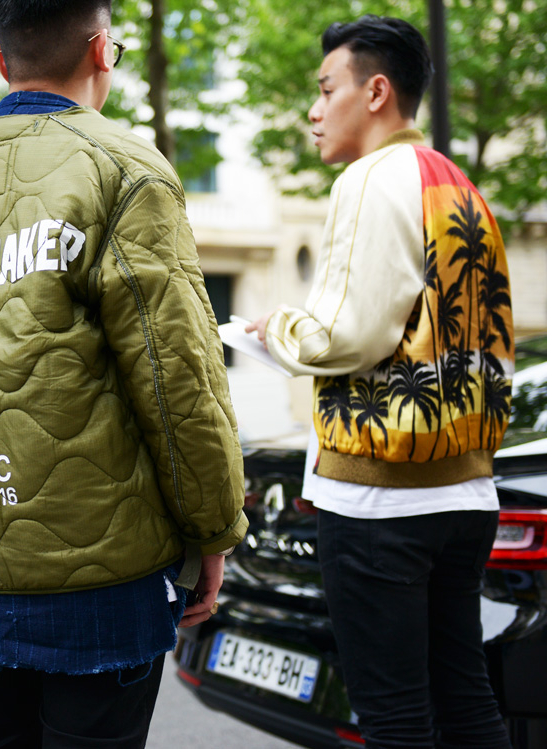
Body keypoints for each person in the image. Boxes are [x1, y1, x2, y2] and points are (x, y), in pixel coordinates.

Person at [0, 1, 247, 746]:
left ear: (1, 61)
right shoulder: (125, 168)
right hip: (106, 580)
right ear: (102, 51)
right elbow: (177, 378)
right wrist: (214, 528)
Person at [247, 16, 513, 748]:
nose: (314, 110)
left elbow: (348, 336)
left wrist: (276, 330)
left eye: (326, 89)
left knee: (394, 719)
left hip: (380, 496)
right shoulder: (458, 184)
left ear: (376, 92)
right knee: (468, 704)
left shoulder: (368, 179)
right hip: (467, 491)